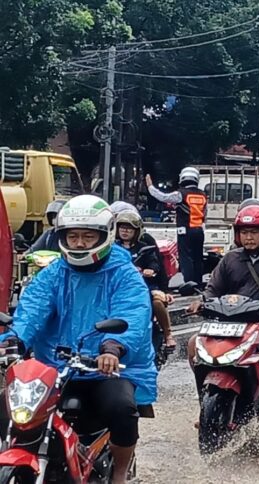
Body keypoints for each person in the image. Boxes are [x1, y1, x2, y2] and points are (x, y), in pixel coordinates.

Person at [1, 195, 156, 484]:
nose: (80, 243)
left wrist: (111, 348)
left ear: (105, 234)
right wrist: (15, 341)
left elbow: (132, 314)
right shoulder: (53, 274)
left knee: (121, 409)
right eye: (73, 236)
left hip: (105, 368)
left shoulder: (124, 275)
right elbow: (31, 311)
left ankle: (120, 473)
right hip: (53, 369)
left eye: (87, 236)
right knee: (7, 406)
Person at [188, 206, 259, 410]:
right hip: (229, 322)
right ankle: (203, 403)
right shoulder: (230, 259)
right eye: (244, 232)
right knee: (193, 344)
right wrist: (201, 301)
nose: (248, 237)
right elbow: (212, 289)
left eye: (254, 232)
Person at [115, 211, 176, 349]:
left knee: (157, 302)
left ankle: (168, 334)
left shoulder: (144, 247)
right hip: (120, 286)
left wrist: (150, 270)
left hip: (145, 285)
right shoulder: (113, 248)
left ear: (136, 231)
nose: (125, 231)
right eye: (122, 227)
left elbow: (154, 263)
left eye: (129, 228)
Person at [146, 167, 207, 285]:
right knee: (198, 258)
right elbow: (205, 213)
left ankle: (189, 284)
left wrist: (150, 187)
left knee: (186, 258)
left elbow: (163, 197)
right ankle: (198, 283)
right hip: (199, 230)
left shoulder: (181, 193)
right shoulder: (203, 195)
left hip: (185, 230)